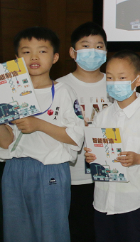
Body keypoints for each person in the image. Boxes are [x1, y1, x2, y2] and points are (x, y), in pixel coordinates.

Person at [0, 27, 84, 242]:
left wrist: (39, 124)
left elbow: (76, 137)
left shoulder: (64, 91)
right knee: (16, 232)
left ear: (55, 57)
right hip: (14, 169)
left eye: (42, 51)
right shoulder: (7, 93)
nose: (34, 57)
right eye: (26, 52)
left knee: (52, 232)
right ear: (17, 58)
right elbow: (6, 142)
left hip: (50, 169)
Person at [84, 51, 140, 242]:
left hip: (135, 203)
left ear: (139, 79)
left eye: (122, 78)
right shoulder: (102, 116)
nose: (115, 83)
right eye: (110, 77)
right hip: (103, 202)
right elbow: (93, 149)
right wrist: (90, 157)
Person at [57, 21, 112, 242]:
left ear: (106, 52)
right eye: (86, 46)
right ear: (73, 52)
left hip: (110, 173)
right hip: (74, 176)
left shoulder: (117, 84)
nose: (93, 51)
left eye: (99, 46)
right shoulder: (59, 86)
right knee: (79, 232)